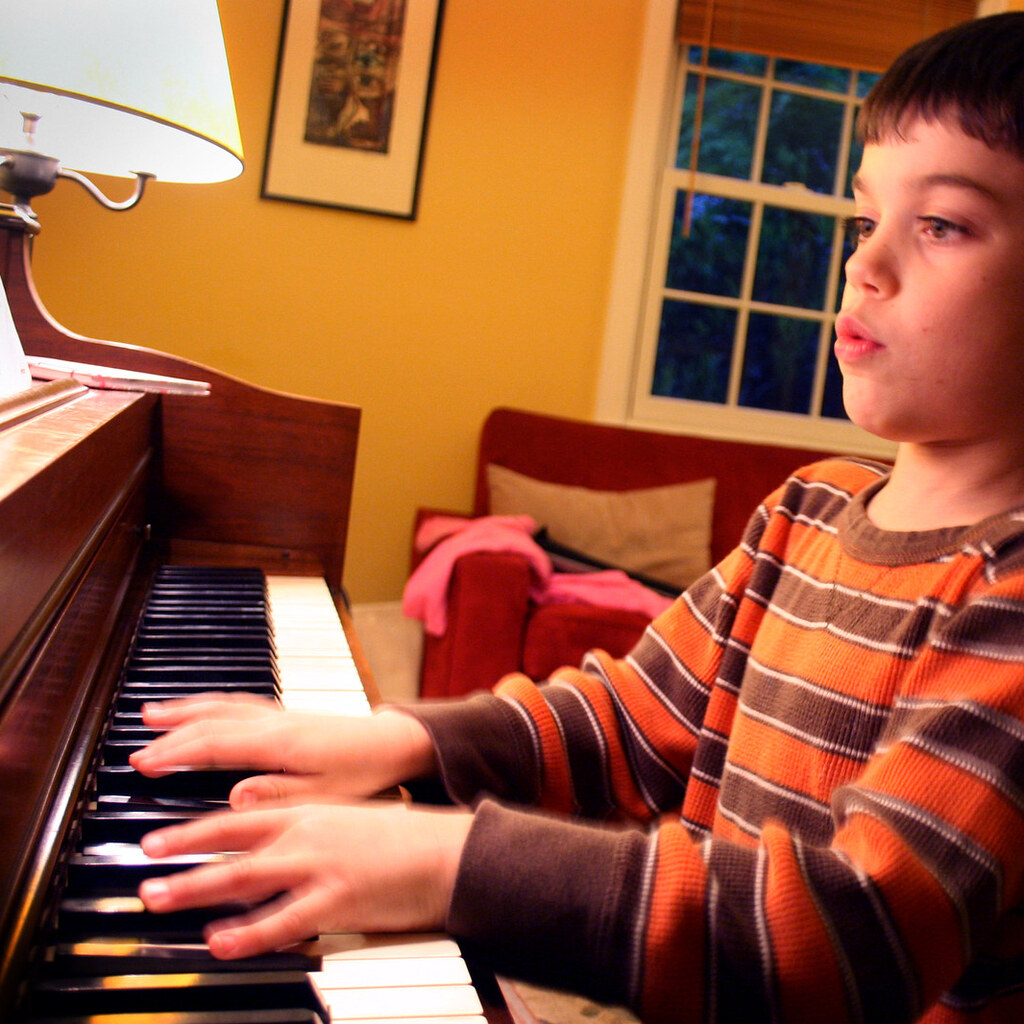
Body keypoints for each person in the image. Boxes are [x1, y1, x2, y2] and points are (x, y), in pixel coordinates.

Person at [130, 13, 1024, 1023]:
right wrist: (399, 741)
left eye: (941, 224)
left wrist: (451, 861)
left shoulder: (1010, 591)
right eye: (865, 219)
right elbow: (624, 720)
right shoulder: (803, 514)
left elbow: (854, 930)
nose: (863, 265)